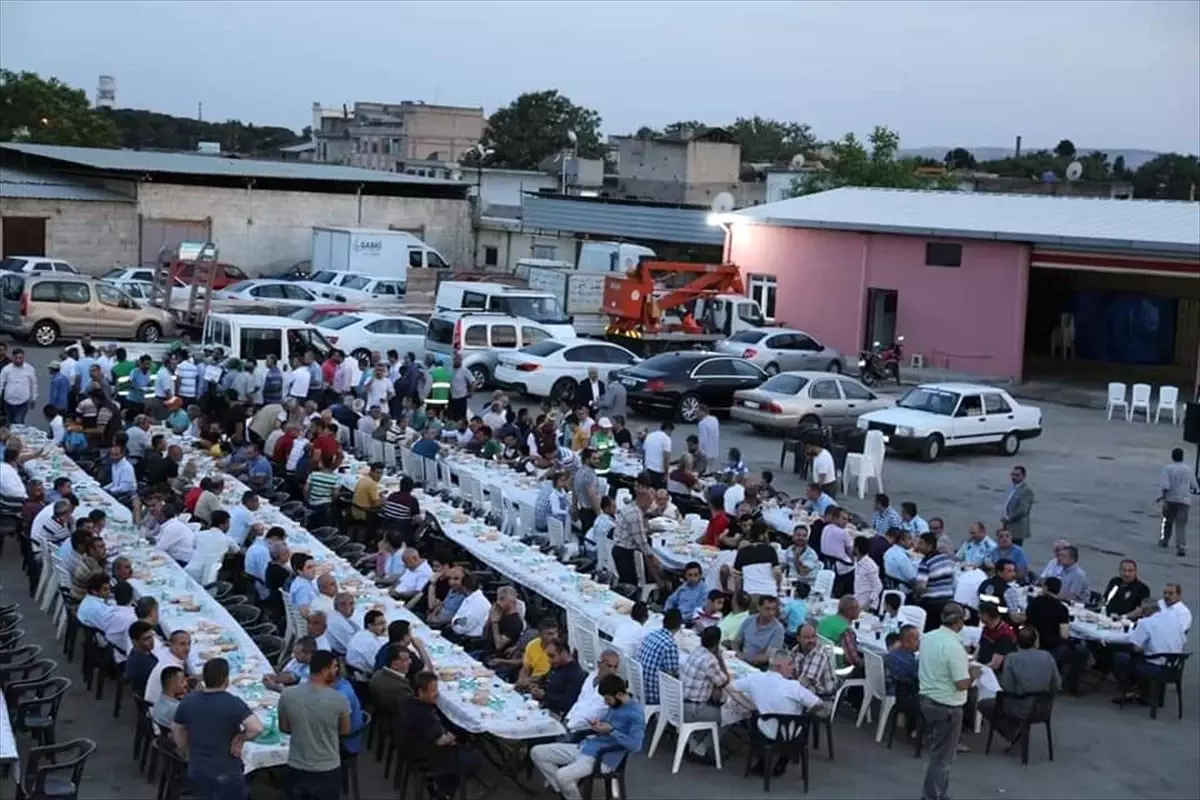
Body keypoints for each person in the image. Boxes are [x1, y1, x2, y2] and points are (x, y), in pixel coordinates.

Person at [530, 674, 645, 800]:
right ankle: (563, 790)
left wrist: (612, 731)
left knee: (562, 775)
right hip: (586, 746)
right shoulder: (615, 705)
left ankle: (568, 791)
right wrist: (597, 725)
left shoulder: (635, 715)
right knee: (537, 752)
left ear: (618, 695)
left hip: (603, 758)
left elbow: (636, 746)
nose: (606, 703)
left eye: (607, 700)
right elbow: (607, 724)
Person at [172, 657, 263, 800]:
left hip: (198, 768)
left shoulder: (188, 701)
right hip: (226, 769)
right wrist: (240, 737)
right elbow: (256, 728)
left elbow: (177, 729)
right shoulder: (233, 703)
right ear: (226, 681)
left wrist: (186, 750)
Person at [917, 602, 980, 800]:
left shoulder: (927, 637)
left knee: (938, 754)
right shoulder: (954, 647)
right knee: (942, 758)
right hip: (947, 706)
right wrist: (973, 674)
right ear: (959, 623)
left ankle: (936, 794)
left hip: (928, 699)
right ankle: (933, 796)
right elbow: (961, 684)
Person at [726, 648, 822, 755]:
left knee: (753, 719)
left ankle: (763, 758)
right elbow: (818, 704)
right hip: (790, 733)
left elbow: (729, 688)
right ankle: (784, 759)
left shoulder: (754, 678)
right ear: (778, 667)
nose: (793, 667)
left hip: (764, 731)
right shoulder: (793, 686)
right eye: (790, 664)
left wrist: (749, 706)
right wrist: (806, 715)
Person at [978, 625, 1061, 742]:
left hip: (1020, 706)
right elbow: (1057, 683)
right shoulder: (1047, 656)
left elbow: (1007, 686)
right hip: (1043, 707)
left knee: (984, 704)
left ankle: (1010, 731)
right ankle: (1013, 729)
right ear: (1035, 642)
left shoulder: (1012, 658)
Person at [404, 672, 479, 799]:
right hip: (426, 756)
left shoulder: (408, 703)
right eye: (433, 691)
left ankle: (442, 787)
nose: (437, 693)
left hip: (411, 747)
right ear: (420, 692)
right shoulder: (423, 715)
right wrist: (460, 731)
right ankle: (445, 793)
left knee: (459, 746)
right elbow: (440, 741)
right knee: (472, 760)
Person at [1113, 599, 1186, 705]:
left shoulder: (1145, 622)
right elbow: (1183, 640)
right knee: (1146, 656)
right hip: (1174, 666)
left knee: (1120, 657)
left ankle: (1128, 690)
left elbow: (1136, 648)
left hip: (1155, 666)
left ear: (1145, 611)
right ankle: (1148, 692)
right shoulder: (1174, 620)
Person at [679, 625, 730, 762]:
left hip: (678, 704)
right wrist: (720, 658)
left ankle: (693, 741)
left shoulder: (696, 651)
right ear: (717, 643)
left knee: (714, 702)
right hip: (692, 709)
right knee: (728, 715)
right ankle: (702, 749)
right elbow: (724, 681)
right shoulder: (710, 660)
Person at [565, 649, 622, 733]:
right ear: (599, 664)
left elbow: (596, 713)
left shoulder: (614, 688)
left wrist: (570, 726)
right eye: (609, 666)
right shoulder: (591, 677)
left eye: (615, 667)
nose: (612, 670)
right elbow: (580, 701)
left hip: (587, 729)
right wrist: (568, 719)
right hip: (570, 722)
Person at [1158, 447, 1198, 556]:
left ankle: (1164, 539)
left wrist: (1164, 497)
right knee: (1181, 525)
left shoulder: (1167, 469)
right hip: (1184, 501)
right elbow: (1194, 485)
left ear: (1172, 456)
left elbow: (1166, 485)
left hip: (1170, 499)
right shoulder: (1188, 469)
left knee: (1167, 521)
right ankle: (1181, 545)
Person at [637, 609, 682, 705]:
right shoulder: (670, 645)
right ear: (679, 627)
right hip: (653, 694)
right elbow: (672, 676)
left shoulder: (651, 635)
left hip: (639, 686)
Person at [533, 639, 588, 717]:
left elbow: (567, 703)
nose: (549, 660)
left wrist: (544, 696)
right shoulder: (556, 665)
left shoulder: (576, 674)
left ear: (564, 653)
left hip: (557, 714)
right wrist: (536, 687)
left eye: (552, 656)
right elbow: (544, 680)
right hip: (543, 706)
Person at [914, 533, 956, 632]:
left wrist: (916, 595)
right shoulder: (946, 558)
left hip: (931, 604)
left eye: (921, 543)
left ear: (930, 546)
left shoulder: (925, 563)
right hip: (947, 601)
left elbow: (921, 587)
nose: (918, 546)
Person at [735, 595, 786, 667]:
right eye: (767, 609)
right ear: (759, 607)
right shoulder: (749, 620)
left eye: (773, 609)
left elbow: (767, 656)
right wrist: (738, 653)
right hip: (741, 661)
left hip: (760, 667)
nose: (771, 613)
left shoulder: (778, 629)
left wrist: (746, 659)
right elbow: (736, 641)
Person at [369, 644, 414, 717]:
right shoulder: (400, 689)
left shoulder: (377, 674)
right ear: (394, 665)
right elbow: (412, 711)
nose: (410, 662)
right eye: (405, 660)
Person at [1000, 465, 1034, 546]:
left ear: (1024, 476)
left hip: (1017, 528)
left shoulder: (1026, 490)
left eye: (1017, 475)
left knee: (1014, 550)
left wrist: (1009, 518)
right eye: (1013, 475)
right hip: (1008, 526)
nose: (1014, 477)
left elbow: (1023, 510)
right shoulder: (1013, 488)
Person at [853, 535, 883, 611]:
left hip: (866, 604)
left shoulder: (870, 566)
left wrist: (868, 604)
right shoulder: (857, 560)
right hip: (857, 599)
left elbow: (878, 586)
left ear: (856, 549)